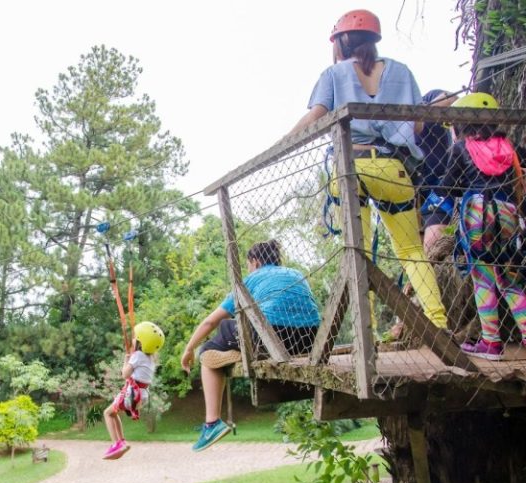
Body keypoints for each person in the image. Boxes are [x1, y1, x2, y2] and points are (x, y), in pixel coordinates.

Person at [288, 8, 448, 329]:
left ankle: (368, 334)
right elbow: (416, 129)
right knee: (411, 250)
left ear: (341, 42)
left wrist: (284, 143)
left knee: (357, 253)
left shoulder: (333, 75)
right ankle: (439, 323)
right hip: (392, 169)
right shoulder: (402, 72)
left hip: (350, 169)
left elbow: (316, 117)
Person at [180, 240, 320, 452]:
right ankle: (238, 352)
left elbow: (211, 321)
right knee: (245, 329)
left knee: (209, 347)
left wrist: (189, 348)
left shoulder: (251, 279)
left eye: (248, 264)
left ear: (255, 261)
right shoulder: (295, 273)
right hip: (309, 338)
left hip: (270, 334)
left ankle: (212, 423)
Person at [439, 93, 526, 361]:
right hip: (508, 213)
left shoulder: (461, 148)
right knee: (510, 278)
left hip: (478, 213)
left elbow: (448, 186)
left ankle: (491, 342)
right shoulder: (507, 147)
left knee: (483, 277)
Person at [102, 321, 165, 459]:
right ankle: (121, 442)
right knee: (113, 413)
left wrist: (126, 361)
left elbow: (125, 374)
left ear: (141, 342)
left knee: (107, 413)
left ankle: (117, 444)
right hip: (141, 395)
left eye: (136, 337)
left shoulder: (137, 356)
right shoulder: (151, 359)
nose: (133, 338)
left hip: (131, 394)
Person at [417, 89, 458, 252]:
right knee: (414, 253)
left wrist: (419, 115)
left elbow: (452, 97)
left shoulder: (425, 100)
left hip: (444, 184)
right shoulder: (386, 128)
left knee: (432, 247)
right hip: (417, 193)